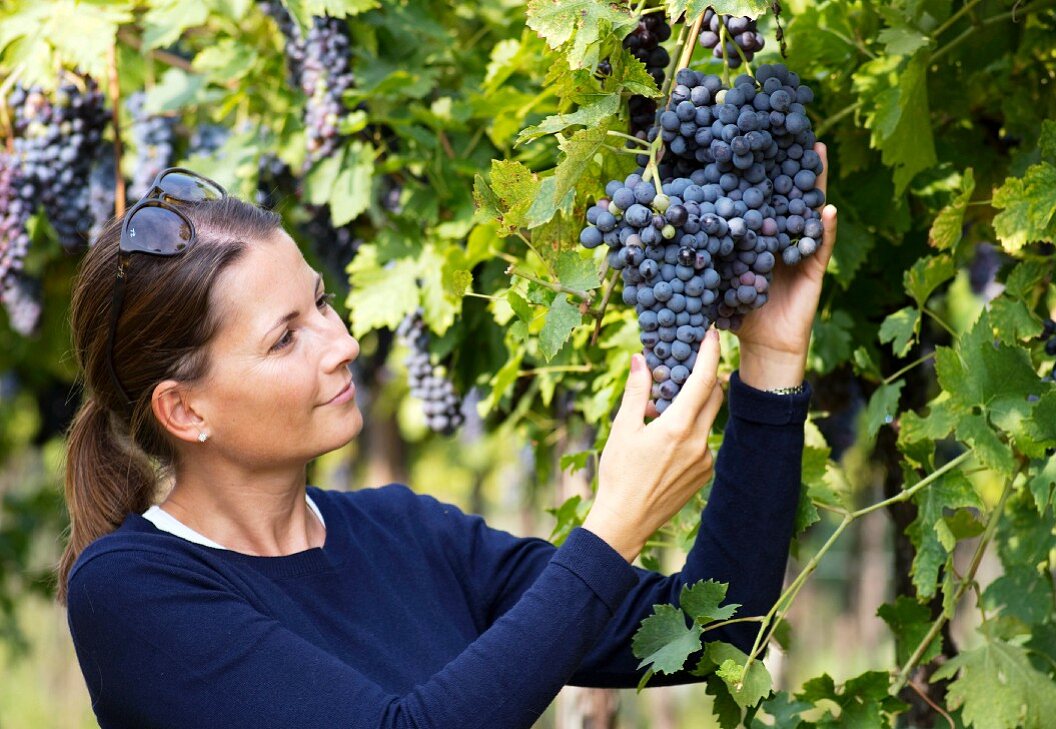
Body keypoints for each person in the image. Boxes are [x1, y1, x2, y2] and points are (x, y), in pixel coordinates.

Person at [61, 150, 837, 728]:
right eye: (285, 337)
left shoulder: (406, 532)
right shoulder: (131, 590)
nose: (342, 344)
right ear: (185, 410)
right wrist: (613, 527)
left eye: (322, 303)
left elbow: (712, 628)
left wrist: (770, 362)